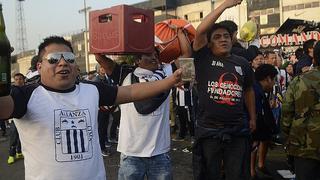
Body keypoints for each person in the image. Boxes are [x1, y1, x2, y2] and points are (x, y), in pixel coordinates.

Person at [0, 36, 183, 180]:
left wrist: (169, 82)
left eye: (69, 58)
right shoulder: (25, 95)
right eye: (54, 59)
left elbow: (131, 92)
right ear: (39, 67)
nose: (63, 63)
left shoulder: (91, 90)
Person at [96, 28, 192, 180]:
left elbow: (187, 56)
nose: (154, 57)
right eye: (148, 54)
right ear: (137, 60)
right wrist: (112, 38)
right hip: (131, 153)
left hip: (160, 152)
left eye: (156, 54)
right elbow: (100, 59)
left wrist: (180, 33)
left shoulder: (166, 71)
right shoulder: (124, 73)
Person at [192, 0, 256, 179]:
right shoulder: (203, 57)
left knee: (237, 174)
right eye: (217, 37)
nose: (223, 39)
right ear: (209, 44)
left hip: (237, 130)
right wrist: (225, 5)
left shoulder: (242, 63)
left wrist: (252, 118)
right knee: (209, 174)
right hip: (209, 131)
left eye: (226, 36)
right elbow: (200, 31)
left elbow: (249, 90)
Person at [281, 40, 320, 180]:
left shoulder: (299, 81)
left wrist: (287, 138)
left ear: (314, 58)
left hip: (303, 144)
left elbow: (286, 113)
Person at [250, 64, 278, 179]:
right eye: (274, 80)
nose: (274, 83)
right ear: (267, 79)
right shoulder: (255, 92)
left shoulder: (257, 90)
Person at [7, 73, 25, 164]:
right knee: (13, 137)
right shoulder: (11, 90)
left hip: (25, 119)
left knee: (22, 137)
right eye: (17, 79)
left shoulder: (27, 89)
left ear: (23, 80)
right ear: (14, 81)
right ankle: (11, 155)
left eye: (21, 79)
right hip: (14, 119)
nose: (19, 81)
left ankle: (19, 152)